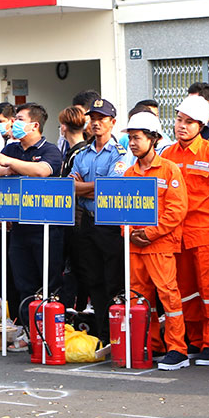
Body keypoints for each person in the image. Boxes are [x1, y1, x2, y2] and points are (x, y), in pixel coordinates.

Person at [160, 93, 209, 366]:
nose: (182, 126)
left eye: (189, 122)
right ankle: (193, 339)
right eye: (179, 120)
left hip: (207, 234)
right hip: (175, 234)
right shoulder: (166, 154)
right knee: (184, 291)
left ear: (201, 126)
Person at [121, 111, 190, 370]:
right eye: (130, 138)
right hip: (135, 246)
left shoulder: (170, 170)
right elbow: (121, 210)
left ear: (153, 139)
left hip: (159, 245)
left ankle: (177, 349)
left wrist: (148, 234)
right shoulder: (129, 173)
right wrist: (129, 233)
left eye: (137, 138)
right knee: (140, 298)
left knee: (168, 297)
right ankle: (152, 345)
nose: (133, 143)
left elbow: (176, 210)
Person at [0, 102, 65, 310]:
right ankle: (27, 331)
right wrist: (10, 169)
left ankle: (49, 330)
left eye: (20, 119)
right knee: (23, 283)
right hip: (18, 227)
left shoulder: (50, 150)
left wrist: (9, 163)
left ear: (34, 125)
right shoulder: (12, 148)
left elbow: (41, 171)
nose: (14, 123)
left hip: (45, 228)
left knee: (48, 283)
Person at [67, 98, 124, 333]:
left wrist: (87, 188)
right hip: (88, 222)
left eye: (102, 118)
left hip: (109, 224)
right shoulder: (83, 153)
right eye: (93, 118)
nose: (96, 123)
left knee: (113, 281)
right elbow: (70, 186)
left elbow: (110, 189)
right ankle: (102, 333)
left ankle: (116, 334)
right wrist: (93, 188)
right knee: (94, 281)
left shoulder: (119, 153)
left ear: (113, 122)